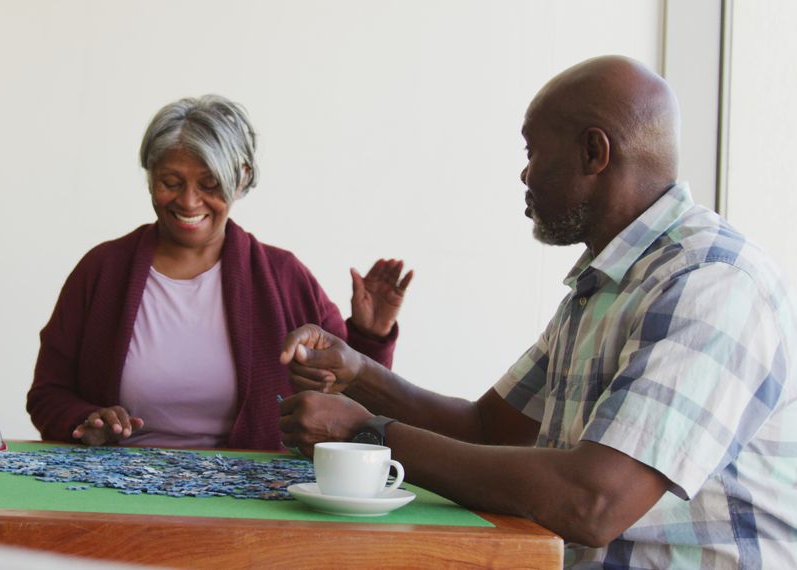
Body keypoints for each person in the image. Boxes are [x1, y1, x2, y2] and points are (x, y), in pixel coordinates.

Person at [277, 56, 797, 567]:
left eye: (532, 151)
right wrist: (358, 372)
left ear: (594, 152)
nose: (524, 173)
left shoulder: (711, 282)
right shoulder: (604, 284)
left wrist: (368, 435)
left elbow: (593, 502)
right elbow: (486, 427)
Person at [27, 94, 412, 451]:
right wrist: (86, 420)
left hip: (253, 492)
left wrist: (371, 337)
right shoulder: (102, 271)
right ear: (150, 176)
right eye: (171, 182)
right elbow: (47, 395)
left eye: (210, 184)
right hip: (115, 488)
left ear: (241, 178)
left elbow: (357, 409)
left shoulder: (284, 277)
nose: (188, 201)